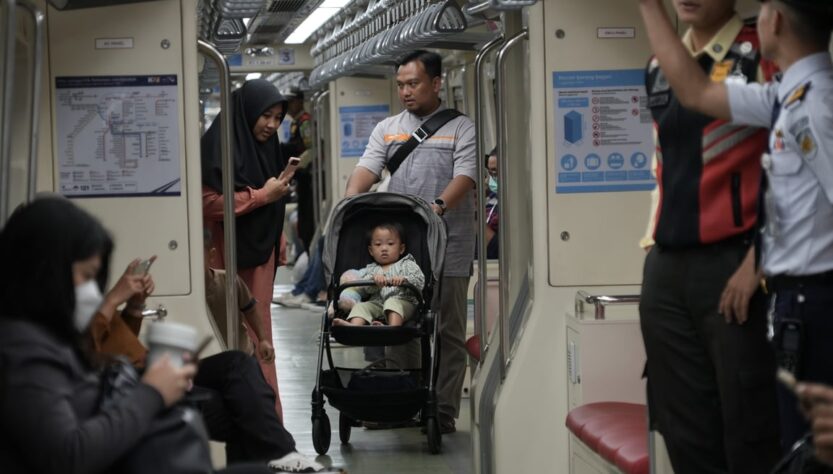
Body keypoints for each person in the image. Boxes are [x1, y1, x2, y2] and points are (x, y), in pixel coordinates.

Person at [638, 0, 833, 455]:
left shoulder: (807, 95)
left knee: (759, 425)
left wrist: (756, 259)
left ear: (773, 20)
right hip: (678, 262)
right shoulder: (781, 94)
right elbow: (696, 93)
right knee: (685, 424)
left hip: (768, 274)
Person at [0, 196, 215, 473]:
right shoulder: (25, 352)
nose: (92, 292)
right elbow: (68, 456)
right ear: (44, 268)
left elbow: (108, 347)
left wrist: (134, 308)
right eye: (86, 276)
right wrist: (152, 393)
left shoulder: (50, 336)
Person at [344, 49, 477, 434]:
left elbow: (466, 176)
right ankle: (402, 403)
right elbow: (366, 169)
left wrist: (437, 207)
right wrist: (351, 200)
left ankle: (444, 410)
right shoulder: (388, 129)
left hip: (450, 245)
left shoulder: (462, 128)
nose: (405, 91)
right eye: (401, 84)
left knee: (449, 330)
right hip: (402, 252)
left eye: (413, 83)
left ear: (436, 83)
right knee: (398, 321)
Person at [89, 254, 322, 472]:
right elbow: (86, 353)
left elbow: (115, 344)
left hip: (142, 368)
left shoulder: (92, 304)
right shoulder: (75, 313)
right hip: (130, 382)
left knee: (237, 363)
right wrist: (112, 299)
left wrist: (133, 307)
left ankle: (282, 451)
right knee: (243, 408)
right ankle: (281, 451)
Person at [201, 78, 294, 417]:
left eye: (278, 118)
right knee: (229, 332)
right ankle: (245, 416)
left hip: (260, 253)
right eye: (265, 116)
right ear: (247, 112)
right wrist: (261, 196)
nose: (272, 125)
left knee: (259, 332)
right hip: (224, 250)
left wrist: (277, 236)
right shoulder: (216, 147)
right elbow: (207, 203)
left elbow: (274, 198)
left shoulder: (267, 148)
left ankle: (268, 417)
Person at [332, 222, 425, 327]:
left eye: (390, 244)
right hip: (377, 304)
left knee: (392, 303)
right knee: (361, 306)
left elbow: (419, 281)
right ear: (371, 251)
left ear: (401, 249)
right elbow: (365, 289)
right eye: (378, 244)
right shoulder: (371, 269)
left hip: (403, 303)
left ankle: (392, 329)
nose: (384, 248)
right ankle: (354, 327)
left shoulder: (407, 264)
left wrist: (404, 279)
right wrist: (373, 281)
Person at [283, 86, 316, 254]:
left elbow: (312, 149)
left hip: (308, 176)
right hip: (301, 177)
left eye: (291, 101)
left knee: (307, 220)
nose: (288, 106)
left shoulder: (305, 122)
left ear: (300, 102)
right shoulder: (296, 122)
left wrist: (294, 166)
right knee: (302, 220)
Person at [484, 148, 499, 260]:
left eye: (495, 172)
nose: (492, 177)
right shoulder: (490, 198)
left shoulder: (515, 203)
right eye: (490, 172)